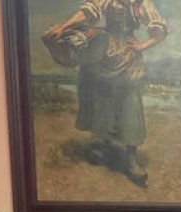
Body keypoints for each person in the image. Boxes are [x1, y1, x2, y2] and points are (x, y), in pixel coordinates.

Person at [43, 0, 166, 187]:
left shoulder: (142, 3)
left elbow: (160, 30)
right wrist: (64, 27)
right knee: (102, 100)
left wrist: (142, 46)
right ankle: (104, 145)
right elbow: (88, 12)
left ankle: (130, 157)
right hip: (103, 53)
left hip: (127, 57)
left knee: (130, 106)